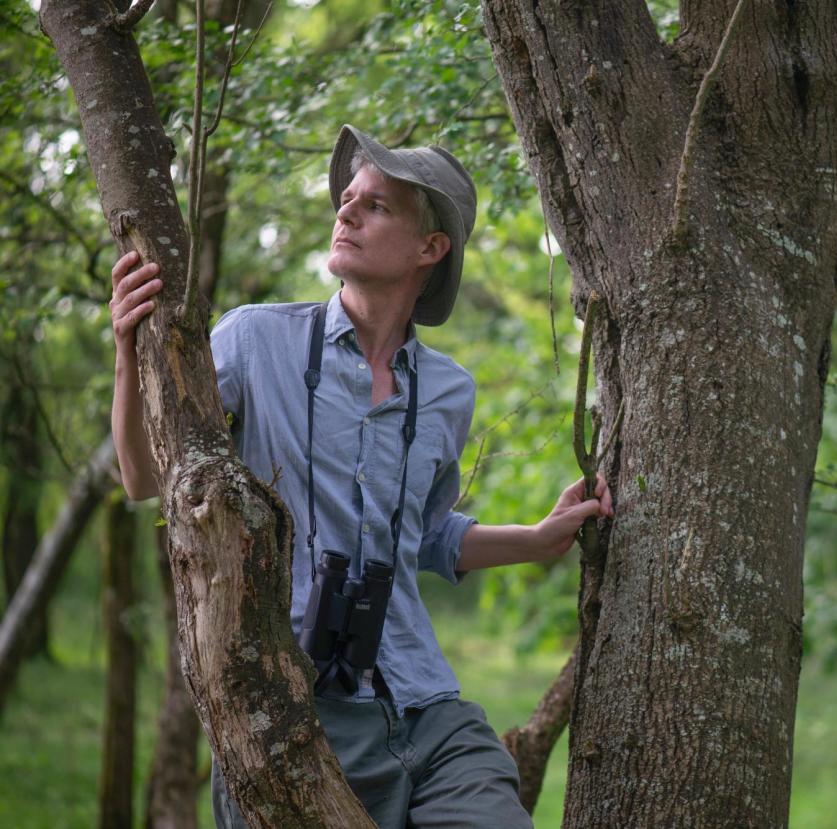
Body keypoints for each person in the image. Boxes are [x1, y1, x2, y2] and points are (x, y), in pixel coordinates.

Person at [108, 125, 612, 829]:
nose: (346, 211)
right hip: (292, 712)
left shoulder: (448, 391)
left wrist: (537, 538)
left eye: (376, 205)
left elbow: (425, 536)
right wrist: (128, 353)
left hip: (427, 706)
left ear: (430, 248)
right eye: (348, 198)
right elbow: (142, 476)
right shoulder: (254, 341)